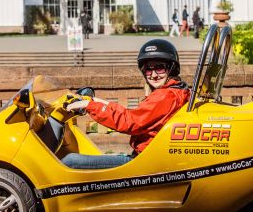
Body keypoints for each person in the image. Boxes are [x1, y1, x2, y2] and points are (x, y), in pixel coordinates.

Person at [62, 39, 191, 169]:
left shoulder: (165, 96)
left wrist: (89, 106)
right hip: (151, 158)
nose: (153, 75)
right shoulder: (176, 91)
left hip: (145, 163)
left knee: (70, 161)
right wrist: (94, 101)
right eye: (148, 69)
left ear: (171, 68)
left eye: (159, 68)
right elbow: (131, 114)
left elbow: (130, 122)